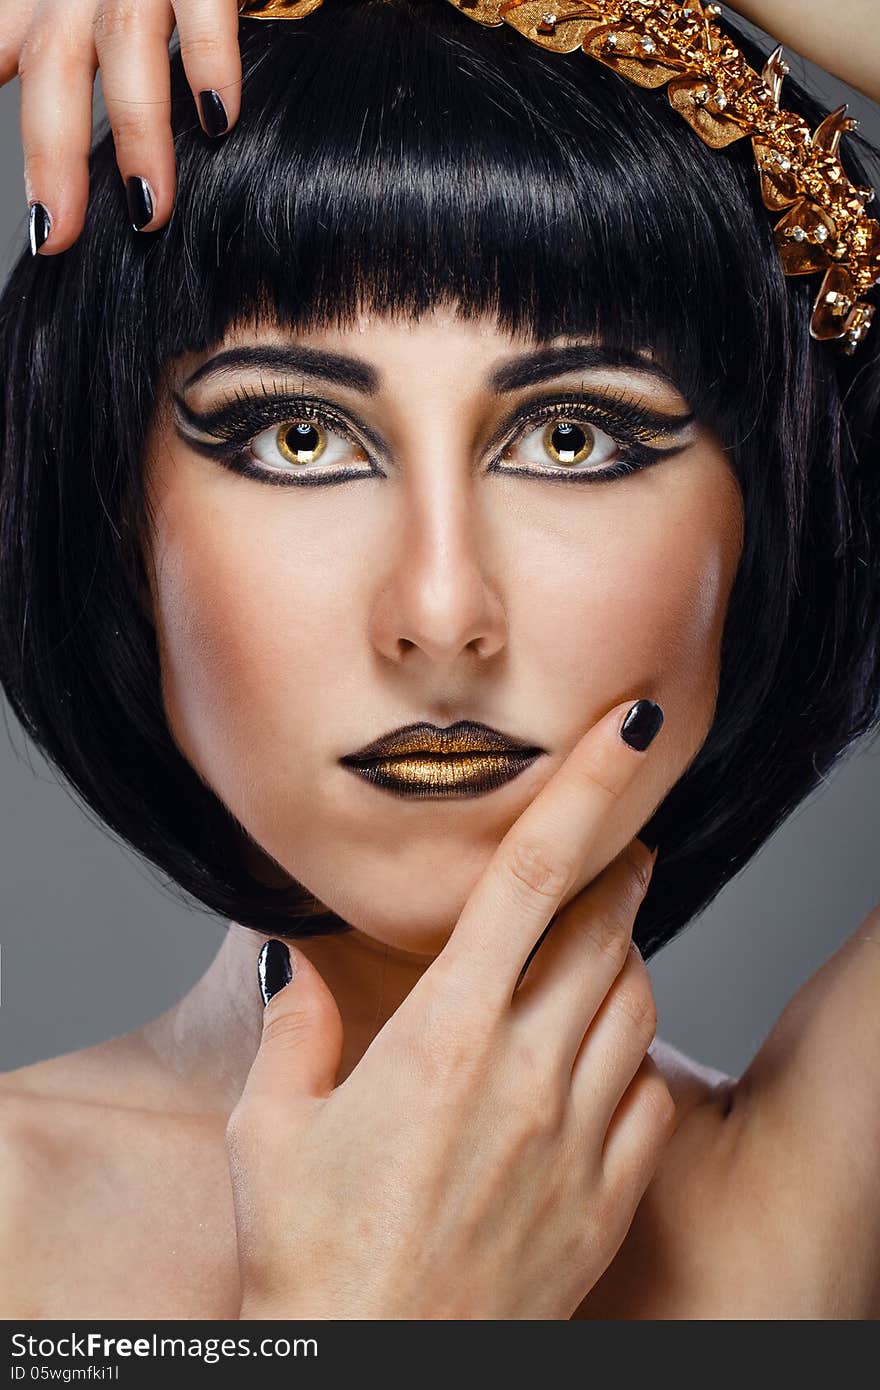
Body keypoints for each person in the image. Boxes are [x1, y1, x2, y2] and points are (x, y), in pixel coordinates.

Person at [1, 0, 879, 1318]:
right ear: (116, 516)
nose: (441, 610)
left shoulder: (816, 1202)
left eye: (574, 436)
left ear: (769, 512)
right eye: (295, 437)